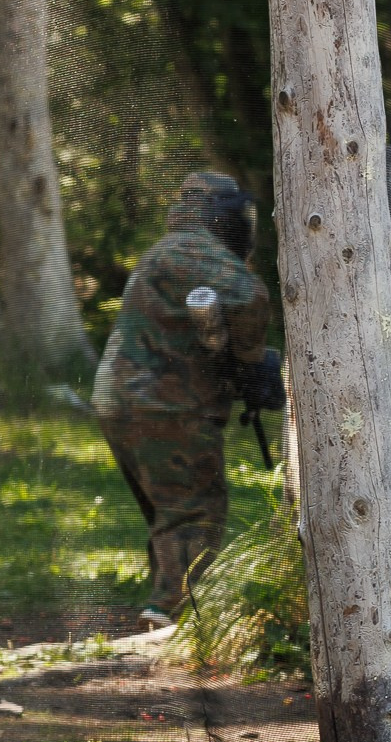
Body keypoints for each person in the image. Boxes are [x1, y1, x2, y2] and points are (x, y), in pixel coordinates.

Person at [93, 172, 285, 628]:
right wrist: (250, 358)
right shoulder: (196, 249)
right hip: (167, 404)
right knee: (194, 510)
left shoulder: (168, 250)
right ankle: (177, 618)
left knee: (170, 508)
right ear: (221, 214)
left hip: (118, 399)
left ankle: (165, 601)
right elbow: (249, 296)